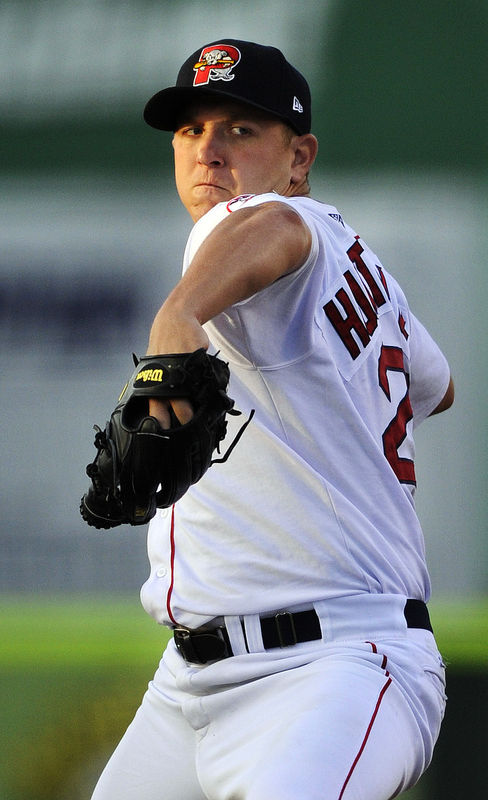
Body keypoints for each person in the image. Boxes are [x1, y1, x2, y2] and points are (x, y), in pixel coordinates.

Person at [91, 39, 454, 800]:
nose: (209, 150)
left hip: (331, 669)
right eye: (191, 130)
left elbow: (272, 230)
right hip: (187, 686)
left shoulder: (267, 220)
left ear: (299, 157)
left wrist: (179, 315)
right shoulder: (359, 264)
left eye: (241, 129)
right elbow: (435, 386)